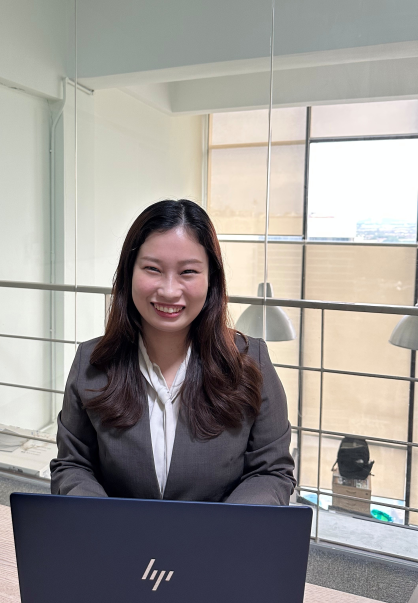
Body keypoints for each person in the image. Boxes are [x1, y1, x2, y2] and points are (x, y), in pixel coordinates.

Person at [50, 199, 295, 504]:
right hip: (116, 534)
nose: (169, 290)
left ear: (211, 279)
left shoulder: (250, 361)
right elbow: (73, 466)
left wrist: (227, 524)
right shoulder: (91, 363)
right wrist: (103, 520)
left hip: (220, 534)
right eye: (152, 269)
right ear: (129, 273)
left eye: (188, 272)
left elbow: (271, 472)